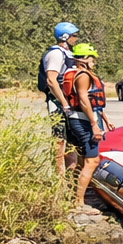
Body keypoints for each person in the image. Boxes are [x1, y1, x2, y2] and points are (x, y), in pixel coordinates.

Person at [63, 43, 110, 208]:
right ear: (83, 59)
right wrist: (93, 124)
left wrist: (104, 119)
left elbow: (93, 101)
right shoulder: (83, 75)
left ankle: (77, 195)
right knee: (92, 161)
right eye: (92, 59)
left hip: (77, 119)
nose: (94, 62)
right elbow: (83, 99)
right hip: (83, 121)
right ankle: (79, 202)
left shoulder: (76, 73)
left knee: (84, 159)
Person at [39, 21, 79, 176]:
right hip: (59, 104)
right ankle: (59, 179)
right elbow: (51, 80)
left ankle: (71, 177)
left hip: (70, 103)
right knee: (59, 139)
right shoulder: (55, 54)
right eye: (73, 36)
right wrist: (63, 103)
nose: (75, 39)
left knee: (72, 140)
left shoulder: (68, 53)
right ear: (64, 37)